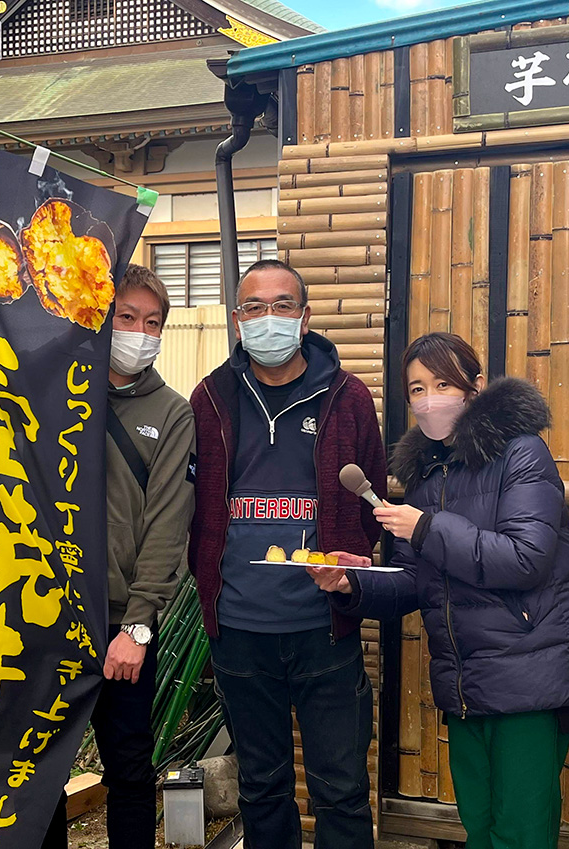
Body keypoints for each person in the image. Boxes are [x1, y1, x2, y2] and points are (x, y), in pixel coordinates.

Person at [309, 332, 569, 849]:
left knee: (520, 833)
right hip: (465, 683)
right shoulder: (427, 474)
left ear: (476, 387)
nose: (429, 399)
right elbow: (415, 581)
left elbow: (527, 558)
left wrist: (426, 528)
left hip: (529, 679)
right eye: (417, 389)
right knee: (479, 827)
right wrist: (353, 582)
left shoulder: (522, 453)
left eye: (443, 384)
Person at [188, 259, 387, 849]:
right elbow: (193, 501)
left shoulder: (348, 397)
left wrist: (346, 570)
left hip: (324, 628)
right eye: (254, 307)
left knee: (341, 789)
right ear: (237, 319)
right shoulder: (211, 398)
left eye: (282, 306)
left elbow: (370, 496)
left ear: (304, 318)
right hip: (238, 630)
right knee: (261, 787)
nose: (267, 318)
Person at [42, 264, 196, 848]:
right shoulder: (52, 393)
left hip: (118, 623)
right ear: (101, 320)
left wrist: (138, 624)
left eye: (153, 323)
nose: (139, 332)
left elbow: (166, 524)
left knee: (129, 766)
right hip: (45, 613)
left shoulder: (172, 412)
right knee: (41, 771)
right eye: (126, 318)